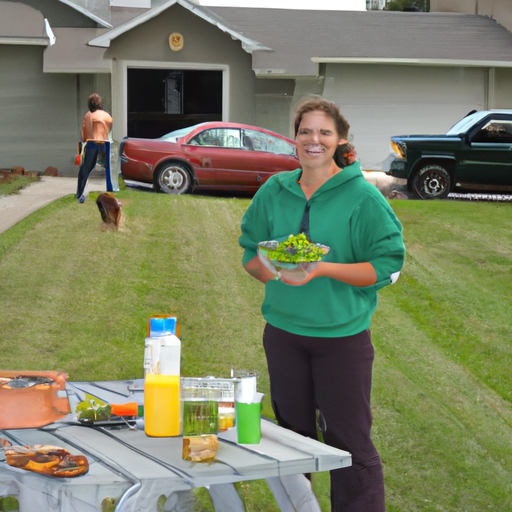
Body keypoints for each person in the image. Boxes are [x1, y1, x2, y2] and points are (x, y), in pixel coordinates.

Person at [239, 96, 405, 512]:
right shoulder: (274, 191)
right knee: (292, 440)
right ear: (294, 139)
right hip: (283, 335)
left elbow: (387, 265)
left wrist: (323, 269)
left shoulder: (363, 197)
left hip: (341, 337)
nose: (314, 139)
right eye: (305, 131)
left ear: (340, 140)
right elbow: (250, 254)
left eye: (324, 132)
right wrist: (273, 269)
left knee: (349, 443)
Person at [76, 93, 114, 203]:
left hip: (91, 143)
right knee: (108, 170)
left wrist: (83, 144)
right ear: (100, 103)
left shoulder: (88, 115)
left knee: (85, 170)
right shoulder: (106, 115)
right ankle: (110, 191)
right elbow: (109, 128)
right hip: (104, 143)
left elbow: (84, 134)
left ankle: (80, 194)